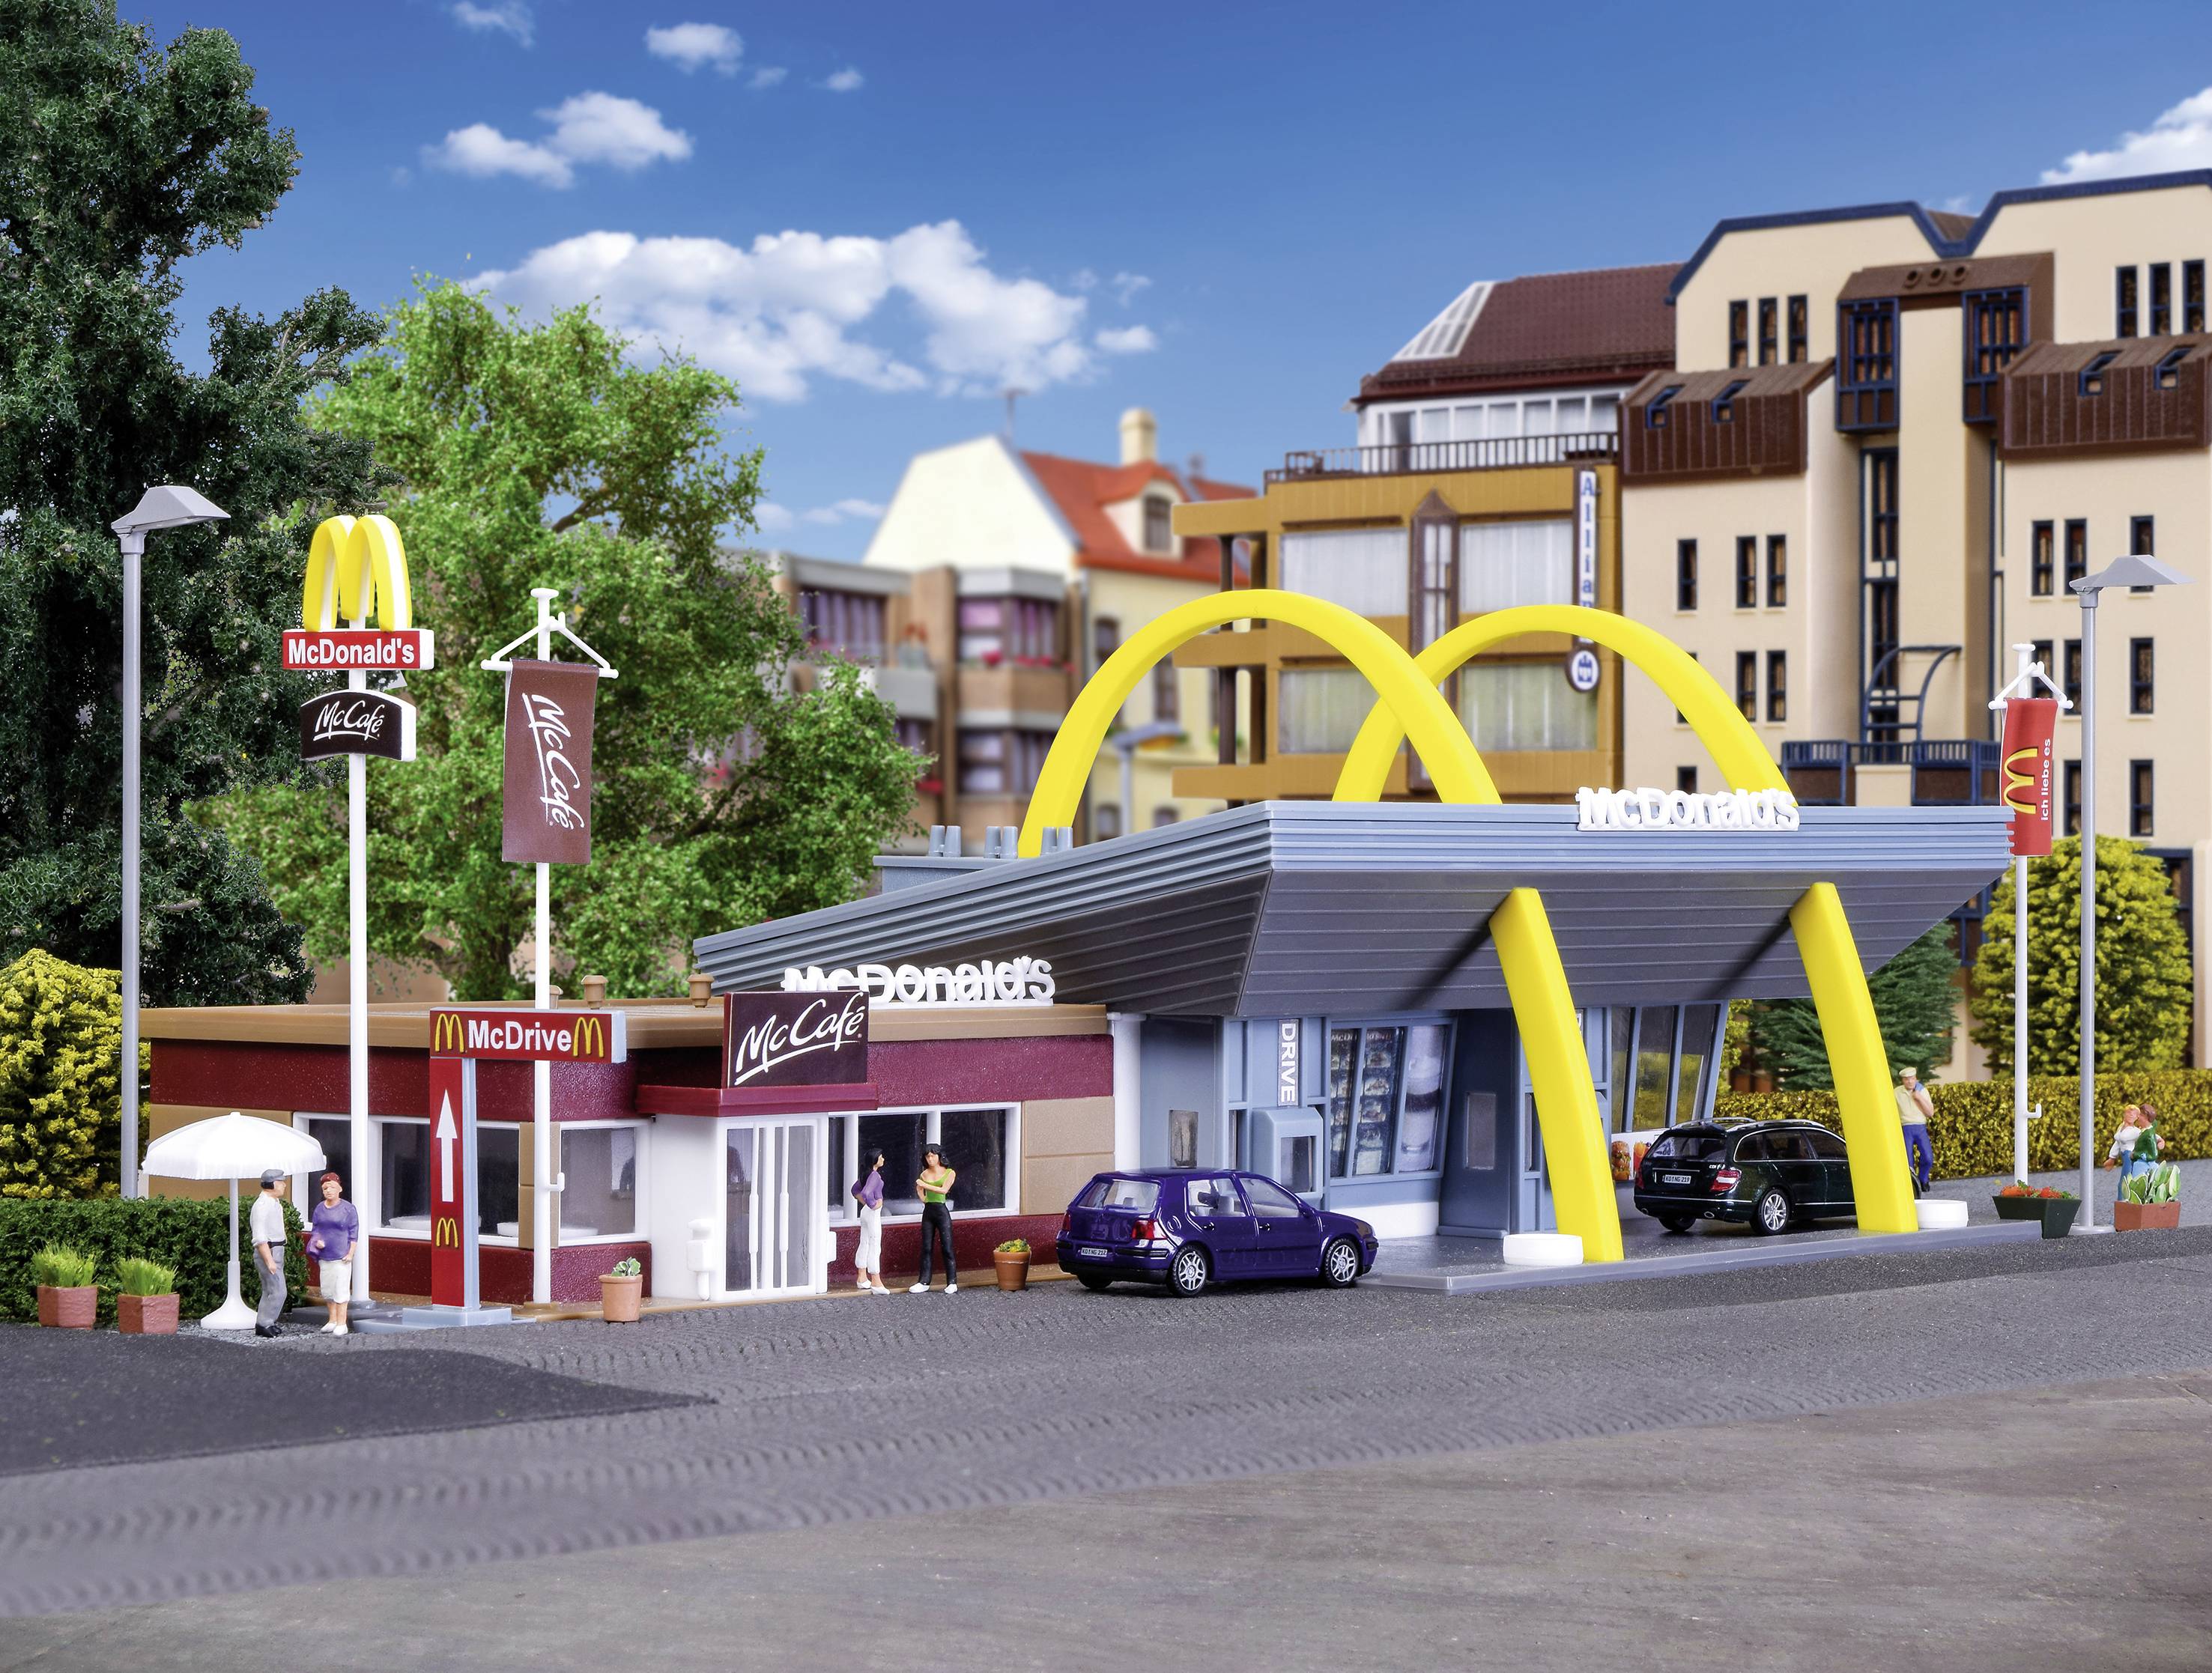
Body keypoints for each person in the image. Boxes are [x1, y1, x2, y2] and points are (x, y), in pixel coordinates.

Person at [305, 1171, 360, 1335]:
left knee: (341, 1289)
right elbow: (315, 1229)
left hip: (341, 1256)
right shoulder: (320, 1209)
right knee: (328, 1290)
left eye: (332, 1187)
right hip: (325, 1256)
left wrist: (351, 1253)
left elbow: (353, 1233)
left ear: (340, 1189)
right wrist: (317, 1241)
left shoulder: (348, 1209)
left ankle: (342, 1323)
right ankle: (332, 1319)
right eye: (325, 1188)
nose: (328, 1191)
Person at [909, 1144, 957, 1294]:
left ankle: (952, 1282)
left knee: (947, 1247)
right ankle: (924, 1281)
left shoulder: (949, 1173)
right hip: (928, 1212)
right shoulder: (924, 1174)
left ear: (939, 1156)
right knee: (926, 1247)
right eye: (927, 1156)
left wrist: (924, 1186)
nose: (930, 1159)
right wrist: (921, 1194)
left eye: (933, 1156)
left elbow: (943, 1190)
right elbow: (924, 1196)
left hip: (942, 1212)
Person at [250, 1168, 289, 1338]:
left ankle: (266, 1323)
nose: (284, 1186)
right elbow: (260, 1238)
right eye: (281, 1182)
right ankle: (265, 1323)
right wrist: (269, 1260)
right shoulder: (262, 1206)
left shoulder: (274, 1203)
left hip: (277, 1250)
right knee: (278, 1290)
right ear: (272, 1184)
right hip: (270, 1251)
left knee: (270, 1290)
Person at [851, 1149, 888, 1296]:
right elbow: (866, 1193)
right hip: (872, 1213)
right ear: (875, 1160)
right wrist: (874, 1204)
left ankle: (861, 1277)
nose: (883, 1159)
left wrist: (865, 1204)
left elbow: (855, 1190)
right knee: (874, 1244)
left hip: (866, 1212)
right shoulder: (874, 1176)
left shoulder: (866, 1174)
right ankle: (876, 1281)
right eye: (881, 1157)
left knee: (864, 1242)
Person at [1894, 1066, 1935, 1194]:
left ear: (1916, 1079)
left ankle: (1923, 1179)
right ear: (1903, 1080)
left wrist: (1918, 1098)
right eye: (1906, 1079)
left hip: (1920, 1126)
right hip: (1905, 1127)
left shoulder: (1922, 1091)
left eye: (1912, 1079)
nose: (1909, 1082)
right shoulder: (1896, 1093)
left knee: (1928, 1157)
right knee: (1908, 1160)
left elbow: (1930, 1113)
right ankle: (1912, 1185)